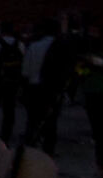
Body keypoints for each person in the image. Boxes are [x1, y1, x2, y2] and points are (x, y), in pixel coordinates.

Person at [29, 23, 78, 156]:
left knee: (33, 117)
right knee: (51, 119)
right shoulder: (63, 47)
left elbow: (26, 70)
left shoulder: (34, 46)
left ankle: (31, 145)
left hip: (35, 85)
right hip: (53, 87)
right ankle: (48, 148)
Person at [79, 22, 103, 178]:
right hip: (93, 91)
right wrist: (83, 68)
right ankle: (102, 164)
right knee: (99, 130)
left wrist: (102, 64)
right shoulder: (91, 48)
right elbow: (83, 72)